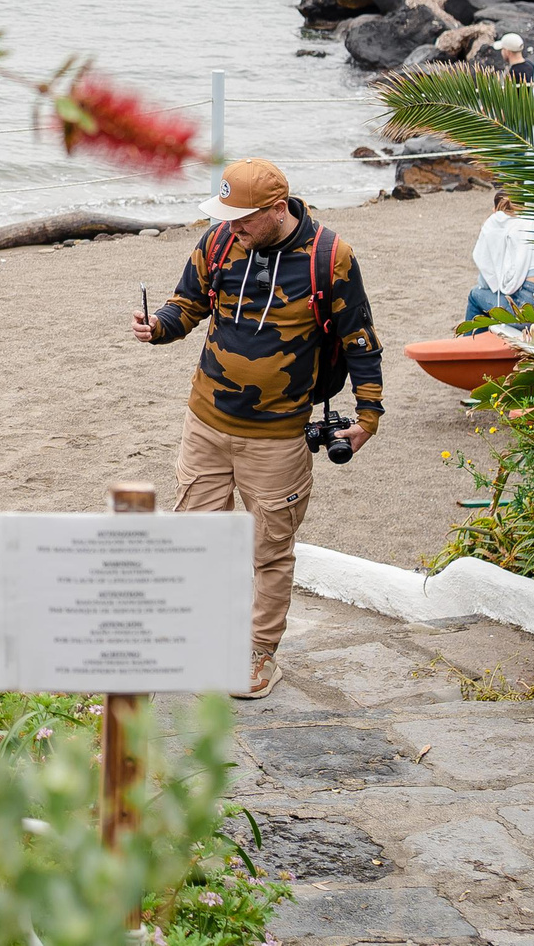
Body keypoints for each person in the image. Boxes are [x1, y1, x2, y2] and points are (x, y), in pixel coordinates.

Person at [128, 159, 383, 701]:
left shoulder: (328, 256)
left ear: (276, 209)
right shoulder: (219, 242)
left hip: (279, 438)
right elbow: (187, 305)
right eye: (227, 217)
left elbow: (359, 336)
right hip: (206, 423)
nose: (232, 227)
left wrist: (368, 416)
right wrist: (158, 328)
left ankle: (257, 653)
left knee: (270, 549)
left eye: (242, 219)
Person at [466, 189, 534, 324]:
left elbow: (486, 283)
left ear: (495, 210)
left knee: (475, 295)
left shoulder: (497, 224)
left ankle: (472, 344)